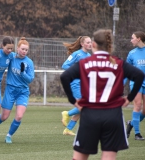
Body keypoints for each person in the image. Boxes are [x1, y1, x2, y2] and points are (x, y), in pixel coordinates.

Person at [60, 29, 144, 160]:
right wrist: (129, 98)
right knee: (108, 157)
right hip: (113, 116)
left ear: (93, 44)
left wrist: (73, 101)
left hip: (90, 115)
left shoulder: (85, 63)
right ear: (110, 45)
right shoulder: (118, 63)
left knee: (79, 157)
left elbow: (65, 77)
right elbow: (139, 75)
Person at [0, 37, 34, 144]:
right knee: (4, 116)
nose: (24, 51)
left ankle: (9, 136)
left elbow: (30, 79)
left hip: (23, 92)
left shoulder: (29, 62)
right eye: (22, 49)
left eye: (26, 50)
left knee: (19, 116)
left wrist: (23, 73)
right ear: (17, 48)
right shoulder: (11, 57)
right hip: (10, 90)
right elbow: (2, 55)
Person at [61, 36, 91, 136]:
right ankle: (67, 114)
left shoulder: (89, 56)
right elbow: (65, 65)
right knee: (83, 106)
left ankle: (68, 129)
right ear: (82, 44)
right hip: (75, 83)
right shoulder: (76, 54)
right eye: (87, 42)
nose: (90, 44)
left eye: (90, 42)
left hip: (84, 85)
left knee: (82, 107)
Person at [126, 31, 145, 140]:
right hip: (135, 82)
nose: (131, 40)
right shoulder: (132, 53)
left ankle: (131, 124)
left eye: (132, 38)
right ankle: (137, 134)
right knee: (137, 105)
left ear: (138, 39)